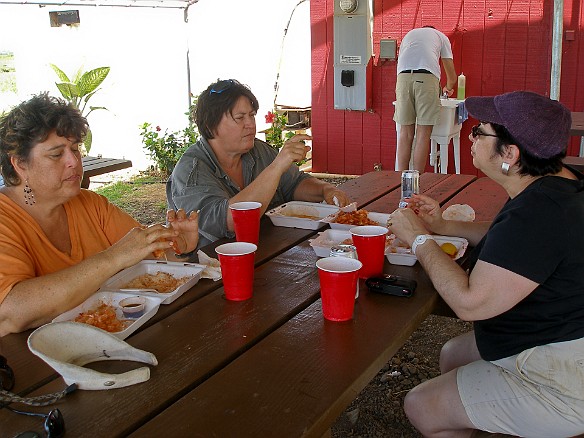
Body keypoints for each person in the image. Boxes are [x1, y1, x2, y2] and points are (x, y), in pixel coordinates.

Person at [389, 91, 584, 437]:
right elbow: (515, 243)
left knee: (420, 404)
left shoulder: (539, 214)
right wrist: (444, 227)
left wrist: (420, 238)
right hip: (553, 334)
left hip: (563, 378)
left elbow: (469, 302)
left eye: (480, 131)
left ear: (510, 153)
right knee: (452, 354)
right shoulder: (557, 187)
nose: (470, 136)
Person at [0, 93, 200, 336]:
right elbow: (12, 310)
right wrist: (112, 258)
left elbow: (150, 260)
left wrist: (181, 248)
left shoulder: (90, 203)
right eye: (56, 154)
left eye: (75, 149)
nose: (74, 161)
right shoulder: (5, 218)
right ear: (20, 164)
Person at [166, 79, 351, 249]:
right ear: (210, 125)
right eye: (240, 118)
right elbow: (228, 221)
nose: (250, 124)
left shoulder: (259, 151)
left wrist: (326, 190)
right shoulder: (191, 171)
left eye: (252, 115)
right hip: (215, 270)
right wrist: (276, 167)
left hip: (269, 252)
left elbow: (294, 183)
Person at [394, 26, 457, 172]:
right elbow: (452, 76)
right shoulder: (441, 36)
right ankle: (416, 181)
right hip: (426, 79)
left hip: (402, 79)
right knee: (423, 133)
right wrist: (448, 86)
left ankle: (400, 180)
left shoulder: (409, 34)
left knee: (405, 132)